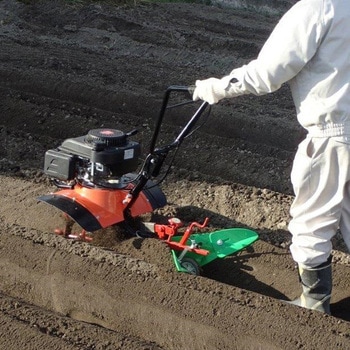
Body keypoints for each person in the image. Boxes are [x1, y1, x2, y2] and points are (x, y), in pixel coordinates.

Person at [193, 0, 350, 315]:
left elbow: (269, 73)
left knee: (311, 223)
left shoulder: (318, 7)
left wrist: (216, 88)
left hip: (333, 136)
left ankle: (313, 303)